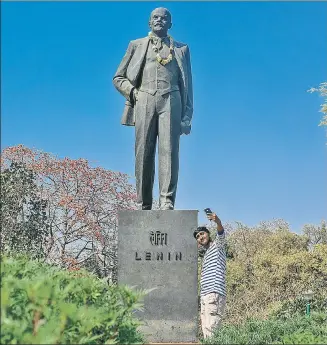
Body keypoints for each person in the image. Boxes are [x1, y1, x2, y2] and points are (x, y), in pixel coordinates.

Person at [113, 7, 193, 210]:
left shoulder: (181, 49)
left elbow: (188, 86)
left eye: (164, 18)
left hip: (171, 100)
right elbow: (118, 78)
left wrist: (186, 117)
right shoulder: (136, 45)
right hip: (145, 98)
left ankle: (167, 200)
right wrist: (134, 93)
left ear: (170, 24)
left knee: (169, 151)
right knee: (143, 152)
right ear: (149, 23)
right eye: (155, 18)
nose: (159, 20)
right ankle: (143, 203)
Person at [194, 211, 227, 339]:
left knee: (212, 330)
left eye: (202, 233)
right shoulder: (206, 254)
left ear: (208, 233)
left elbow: (221, 233)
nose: (200, 237)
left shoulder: (218, 245)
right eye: (197, 236)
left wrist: (217, 221)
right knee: (206, 331)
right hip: (204, 295)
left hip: (214, 292)